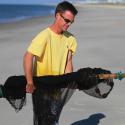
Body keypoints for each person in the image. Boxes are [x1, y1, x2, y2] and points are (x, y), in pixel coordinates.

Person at [23, 1, 78, 125]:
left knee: (54, 119)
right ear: (58, 16)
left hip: (57, 87)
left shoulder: (71, 39)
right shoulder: (44, 36)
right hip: (41, 88)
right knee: (43, 120)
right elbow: (28, 56)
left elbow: (68, 62)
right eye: (67, 20)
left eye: (71, 22)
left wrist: (69, 80)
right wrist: (30, 81)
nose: (69, 24)